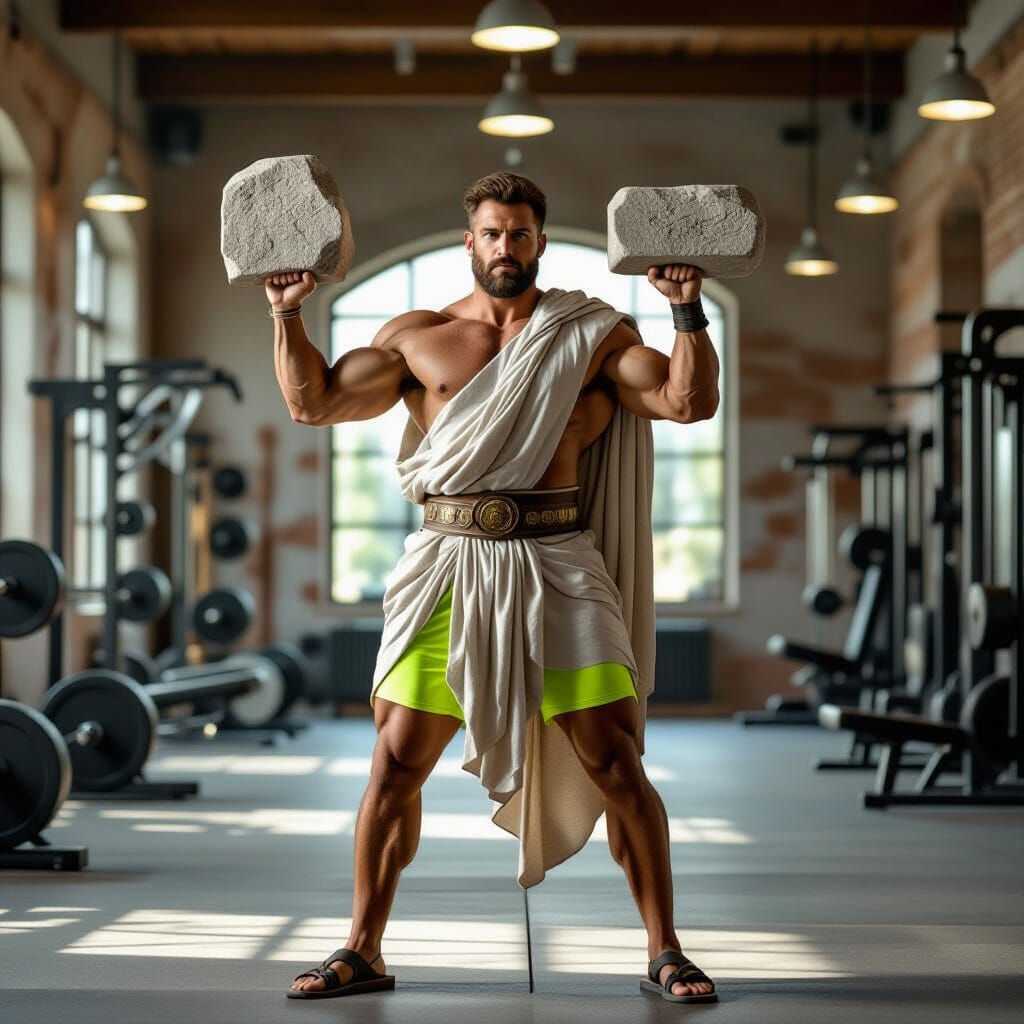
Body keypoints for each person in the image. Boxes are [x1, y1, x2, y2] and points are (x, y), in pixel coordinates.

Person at [267, 172, 720, 1004]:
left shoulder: (589, 334)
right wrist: (287, 310)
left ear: (539, 242)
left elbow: (685, 401)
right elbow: (314, 402)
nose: (505, 247)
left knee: (616, 762)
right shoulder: (418, 336)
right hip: (447, 567)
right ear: (467, 241)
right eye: (491, 233)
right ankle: (362, 947)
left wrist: (686, 309)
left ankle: (666, 950)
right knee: (395, 766)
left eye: (519, 234)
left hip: (557, 564)